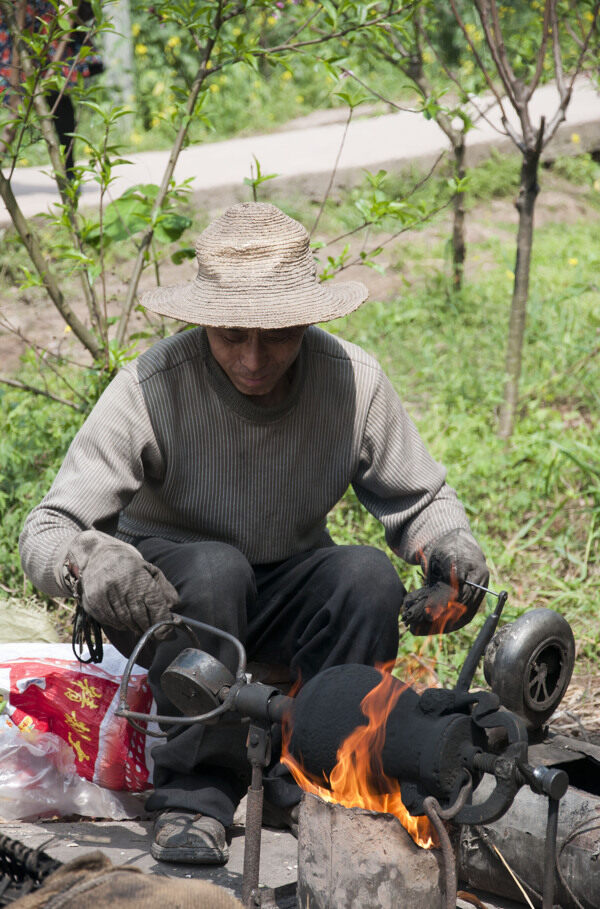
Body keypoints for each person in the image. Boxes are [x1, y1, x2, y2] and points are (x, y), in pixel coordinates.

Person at [19, 202, 489, 866]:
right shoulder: (153, 387)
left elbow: (422, 501)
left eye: (277, 335)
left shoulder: (350, 381)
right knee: (217, 569)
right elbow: (46, 527)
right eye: (232, 335)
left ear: (308, 318)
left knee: (366, 577)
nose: (253, 358)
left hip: (285, 579)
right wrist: (91, 558)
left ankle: (319, 772)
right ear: (203, 321)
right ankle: (194, 794)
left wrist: (450, 547)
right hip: (169, 597)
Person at [0, 1, 103, 178]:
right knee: (17, 104)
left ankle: (68, 171)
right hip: (18, 20)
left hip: (50, 23)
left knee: (57, 95)